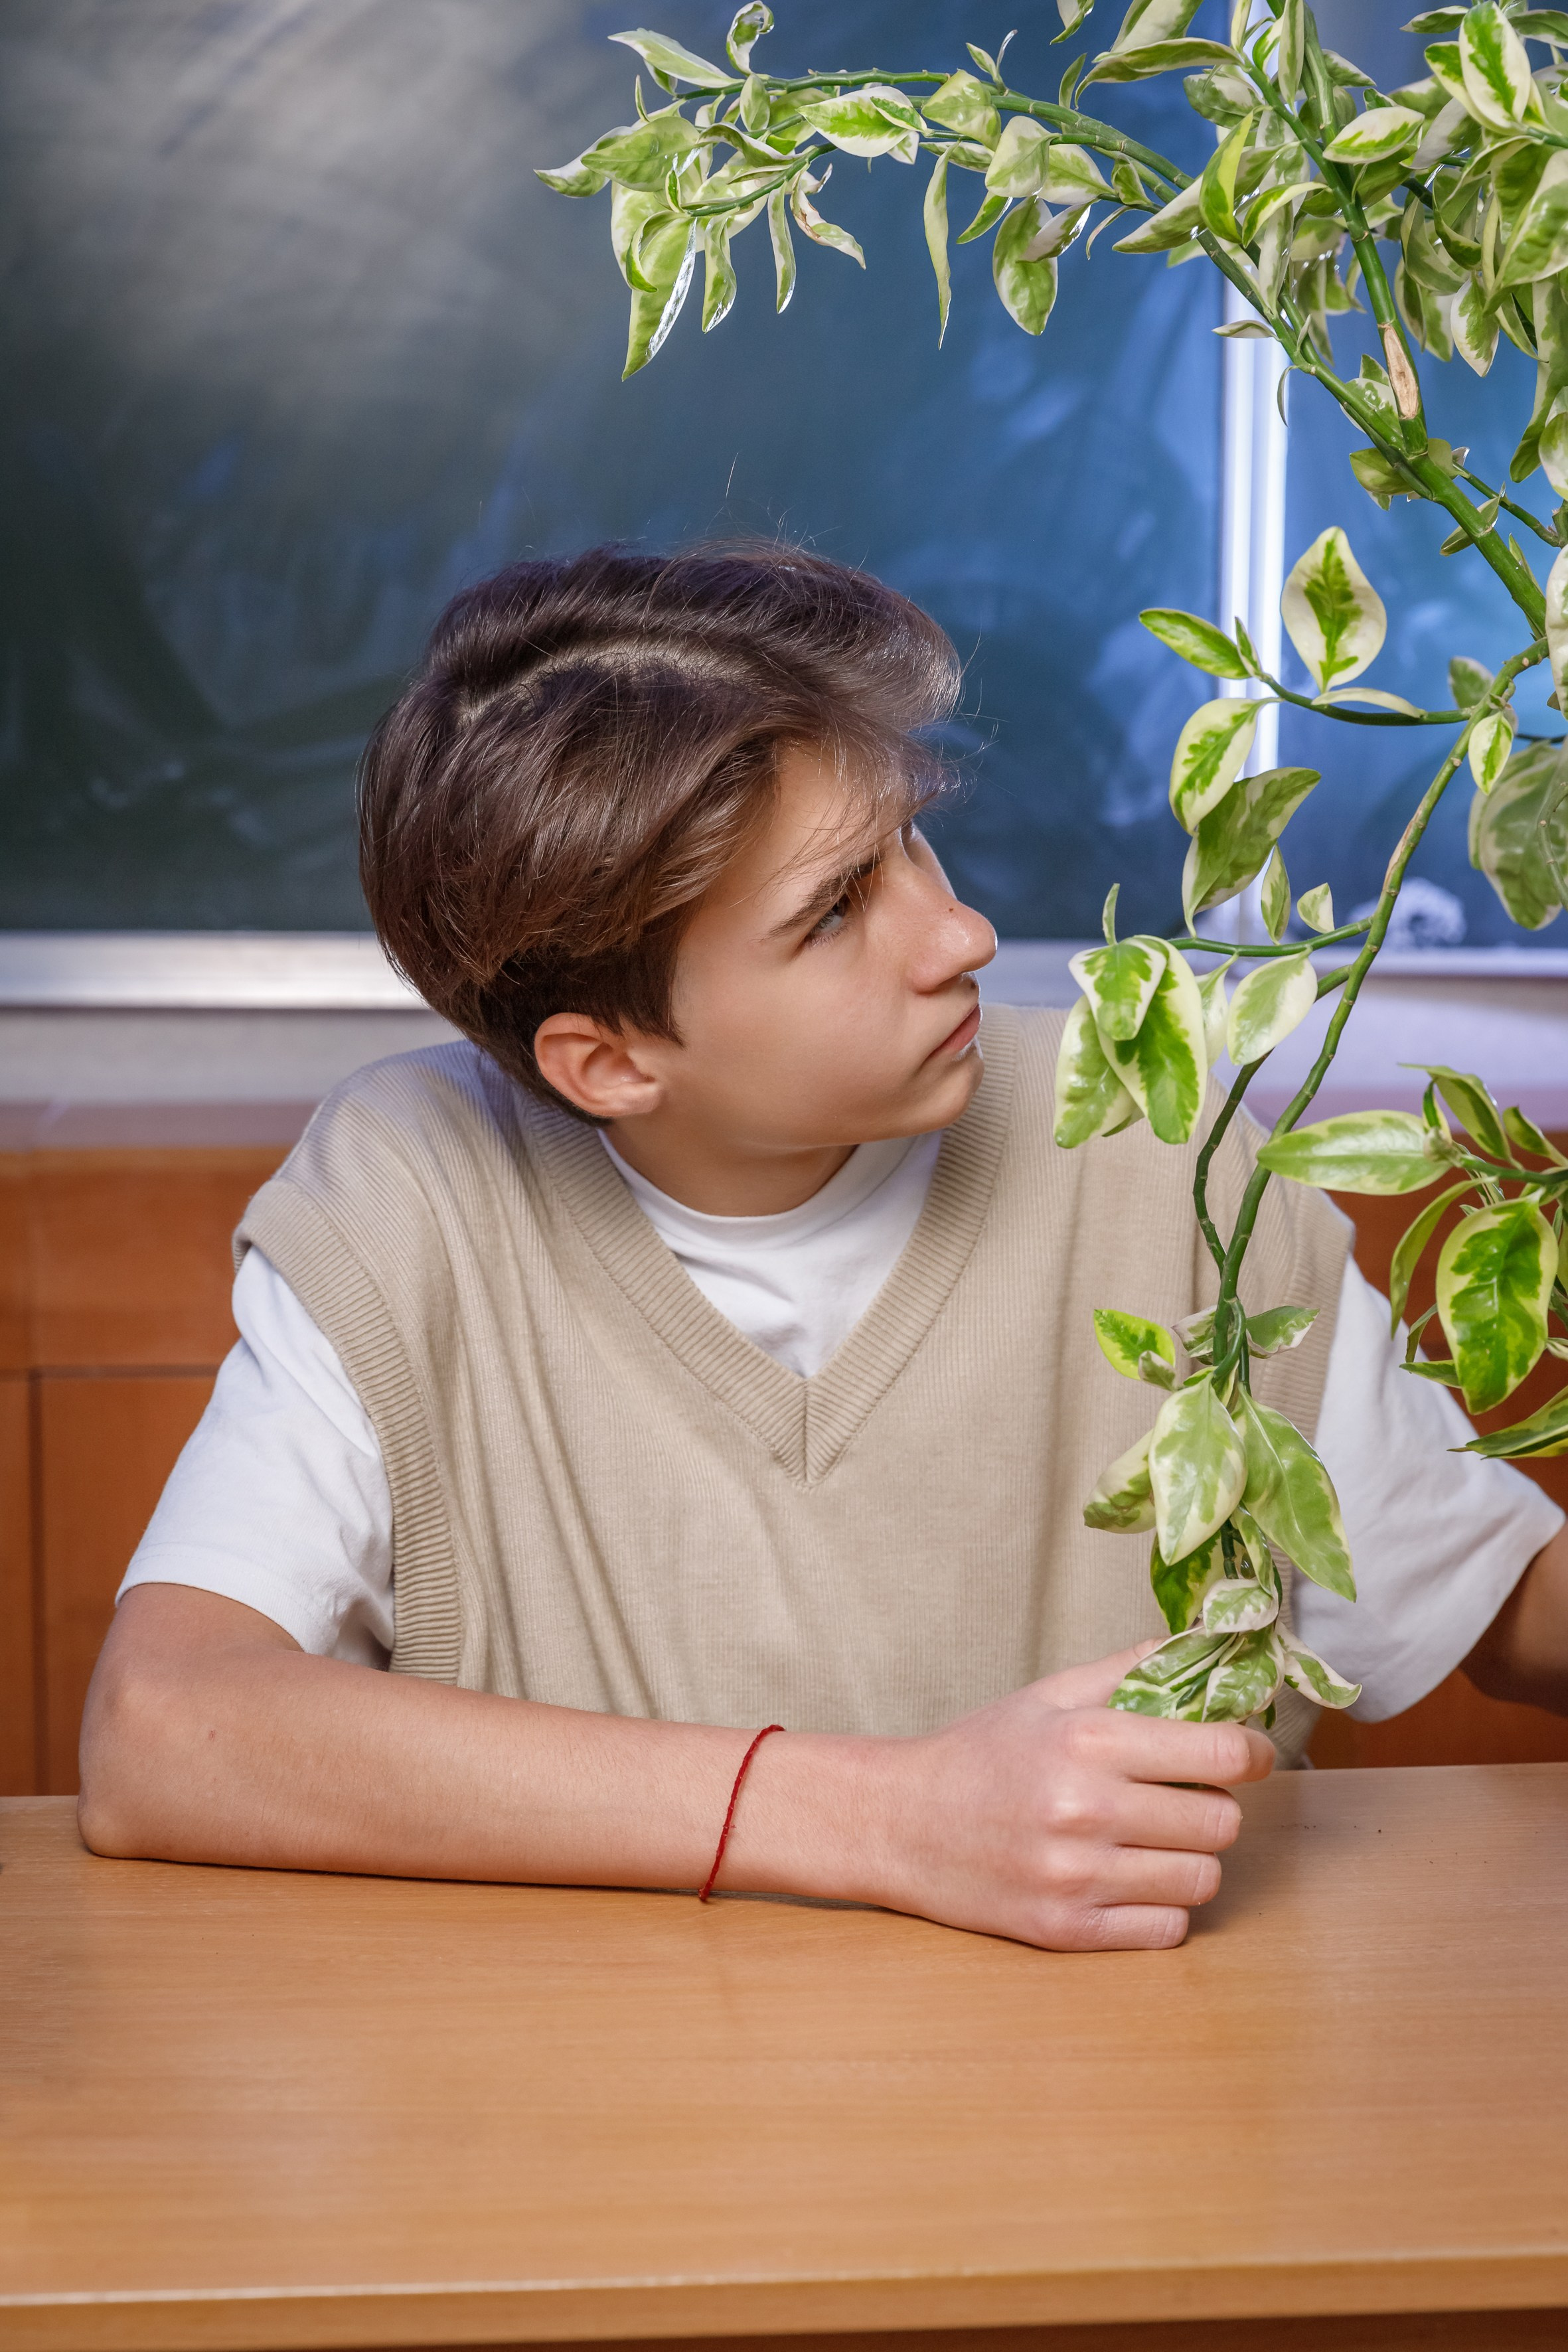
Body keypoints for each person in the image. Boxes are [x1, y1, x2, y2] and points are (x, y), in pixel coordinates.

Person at [78, 543, 1568, 1952]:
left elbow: (1498, 1605)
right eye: (837, 910)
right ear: (606, 1063)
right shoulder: (409, 1189)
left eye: (912, 841)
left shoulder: (1151, 1138)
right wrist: (884, 1817)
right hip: (571, 2141)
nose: (960, 932)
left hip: (1123, 2113)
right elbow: (162, 1730)